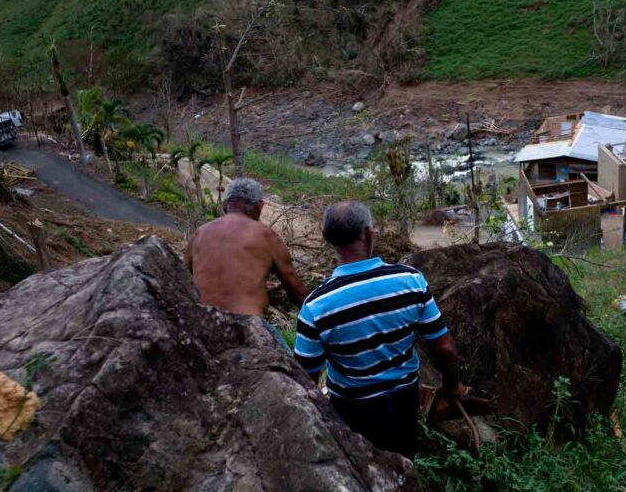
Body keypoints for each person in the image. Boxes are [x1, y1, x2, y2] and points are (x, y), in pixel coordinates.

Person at [293, 201, 465, 457]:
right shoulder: (410, 280)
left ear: (327, 238)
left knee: (365, 469)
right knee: (404, 461)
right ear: (369, 233)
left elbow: (305, 378)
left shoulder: (316, 306)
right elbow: (445, 347)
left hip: (352, 407)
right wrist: (452, 386)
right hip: (405, 400)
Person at [185, 178, 308, 342]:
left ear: (225, 206)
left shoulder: (199, 234)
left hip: (202, 326)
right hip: (248, 328)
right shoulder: (265, 235)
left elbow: (181, 279)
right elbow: (297, 293)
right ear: (260, 206)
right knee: (295, 365)